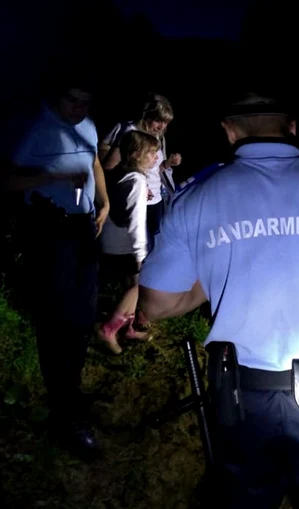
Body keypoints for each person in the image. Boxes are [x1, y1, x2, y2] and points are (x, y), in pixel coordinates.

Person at [137, 93, 299, 508]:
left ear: (229, 131)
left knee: (244, 497)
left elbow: (157, 304)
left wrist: (213, 279)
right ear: (292, 127)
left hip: (242, 394)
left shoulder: (196, 197)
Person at [2, 75, 110, 457]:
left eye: (85, 102)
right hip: (49, 232)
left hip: (83, 230)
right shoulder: (35, 129)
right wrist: (53, 176)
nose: (78, 109)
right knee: (56, 320)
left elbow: (95, 160)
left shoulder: (89, 125)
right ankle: (63, 414)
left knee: (81, 318)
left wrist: (106, 202)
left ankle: (72, 391)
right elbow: (9, 180)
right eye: (72, 101)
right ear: (56, 97)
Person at [98, 130, 161, 354]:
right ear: (136, 154)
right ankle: (108, 330)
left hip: (112, 240)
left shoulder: (124, 174)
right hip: (125, 245)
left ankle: (130, 328)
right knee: (138, 286)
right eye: (152, 153)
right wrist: (140, 253)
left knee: (129, 286)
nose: (156, 157)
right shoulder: (137, 181)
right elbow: (136, 222)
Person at [99, 93, 178, 247]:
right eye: (158, 121)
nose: (161, 127)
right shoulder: (130, 133)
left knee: (157, 245)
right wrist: (138, 183)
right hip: (136, 200)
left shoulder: (158, 136)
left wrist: (167, 164)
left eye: (165, 122)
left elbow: (155, 170)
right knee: (140, 247)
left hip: (156, 200)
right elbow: (110, 167)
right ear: (146, 116)